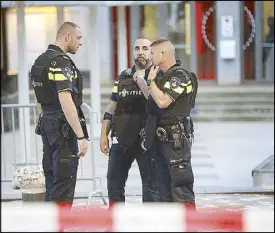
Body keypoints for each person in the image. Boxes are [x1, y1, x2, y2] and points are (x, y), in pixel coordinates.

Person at [31, 22, 89, 208]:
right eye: (78, 38)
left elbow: (39, 101)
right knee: (64, 180)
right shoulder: (61, 62)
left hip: (47, 122)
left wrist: (47, 121)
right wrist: (81, 136)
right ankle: (59, 225)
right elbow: (66, 101)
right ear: (67, 36)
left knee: (52, 178)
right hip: (62, 127)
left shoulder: (40, 60)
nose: (80, 43)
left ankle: (50, 224)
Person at [100, 37, 156, 207]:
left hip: (146, 140)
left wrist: (142, 81)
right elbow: (111, 107)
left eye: (145, 48)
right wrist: (104, 134)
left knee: (150, 186)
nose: (140, 52)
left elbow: (156, 103)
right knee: (114, 183)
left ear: (151, 53)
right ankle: (116, 223)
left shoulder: (156, 75)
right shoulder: (123, 76)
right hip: (121, 138)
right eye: (137, 48)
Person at [145, 37, 198, 207]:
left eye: (152, 53)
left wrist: (150, 82)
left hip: (176, 141)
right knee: (162, 191)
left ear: (163, 53)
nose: (149, 56)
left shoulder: (180, 76)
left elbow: (163, 102)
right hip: (159, 141)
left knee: (180, 189)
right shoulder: (160, 76)